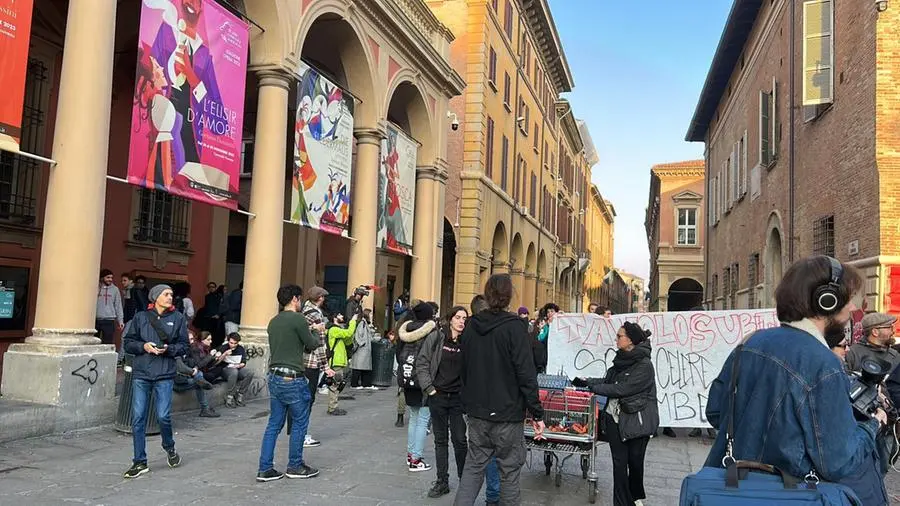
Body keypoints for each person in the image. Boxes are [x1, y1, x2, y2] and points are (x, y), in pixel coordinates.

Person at [704, 255, 888, 505]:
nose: (852, 310)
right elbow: (838, 462)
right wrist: (873, 425)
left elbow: (716, 412)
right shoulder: (825, 364)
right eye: (849, 300)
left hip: (730, 490)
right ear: (827, 301)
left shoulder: (750, 342)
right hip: (786, 494)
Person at [454, 274, 545, 506]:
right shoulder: (515, 327)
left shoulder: (472, 326)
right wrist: (537, 412)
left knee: (473, 469)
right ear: (508, 296)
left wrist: (467, 403)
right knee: (509, 472)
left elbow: (463, 368)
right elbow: (526, 374)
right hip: (507, 414)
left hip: (477, 413)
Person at [574, 322, 659, 506]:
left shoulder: (645, 366)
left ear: (631, 341)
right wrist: (587, 382)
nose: (616, 339)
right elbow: (608, 380)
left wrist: (596, 388)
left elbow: (623, 388)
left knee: (635, 465)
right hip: (615, 420)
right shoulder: (620, 359)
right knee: (619, 466)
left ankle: (634, 496)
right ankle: (621, 502)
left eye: (619, 336)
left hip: (637, 423)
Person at [122, 284, 188, 478]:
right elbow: (128, 343)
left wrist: (168, 349)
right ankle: (140, 461)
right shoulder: (141, 317)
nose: (170, 297)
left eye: (171, 294)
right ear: (155, 297)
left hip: (165, 374)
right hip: (142, 373)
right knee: (138, 418)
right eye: (166, 294)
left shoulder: (178, 318)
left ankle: (169, 447)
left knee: (163, 416)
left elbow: (184, 346)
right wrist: (144, 346)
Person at [256, 284, 321, 482]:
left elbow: (289, 337)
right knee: (300, 422)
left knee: (273, 424)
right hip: (293, 377)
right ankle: (295, 465)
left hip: (274, 376)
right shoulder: (298, 319)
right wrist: (317, 331)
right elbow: (311, 345)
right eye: (299, 299)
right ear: (294, 299)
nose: (300, 302)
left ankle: (265, 468)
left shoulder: (274, 321)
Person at [418, 306, 469, 498]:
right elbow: (422, 362)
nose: (461, 321)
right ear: (450, 319)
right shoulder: (437, 338)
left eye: (464, 318)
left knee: (460, 440)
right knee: (441, 441)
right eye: (458, 317)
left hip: (457, 398)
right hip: (437, 396)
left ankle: (466, 481)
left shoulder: (467, 342)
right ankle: (442, 481)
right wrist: (429, 388)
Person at [397, 302, 437, 472]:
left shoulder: (405, 330)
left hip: (407, 379)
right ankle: (416, 459)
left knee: (414, 418)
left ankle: (410, 454)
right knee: (423, 419)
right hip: (424, 380)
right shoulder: (432, 332)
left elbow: (398, 354)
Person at [469, 294, 501, 506]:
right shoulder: (503, 330)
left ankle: (479, 495)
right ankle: (493, 496)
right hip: (499, 402)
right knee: (498, 454)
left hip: (475, 403)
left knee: (479, 454)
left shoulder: (468, 334)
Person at [173, 330, 218, 418]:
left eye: (192, 339)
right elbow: (181, 367)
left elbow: (196, 364)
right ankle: (205, 409)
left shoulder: (189, 350)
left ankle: (206, 408)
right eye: (189, 339)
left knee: (200, 378)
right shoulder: (176, 350)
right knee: (200, 382)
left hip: (187, 378)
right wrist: (192, 371)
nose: (192, 341)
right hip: (177, 381)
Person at [325, 310, 359, 415]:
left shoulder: (337, 330)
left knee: (337, 384)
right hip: (335, 361)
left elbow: (348, 339)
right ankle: (333, 408)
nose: (342, 316)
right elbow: (348, 333)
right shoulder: (333, 329)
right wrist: (353, 321)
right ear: (335, 318)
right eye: (339, 315)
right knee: (335, 385)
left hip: (338, 361)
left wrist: (350, 331)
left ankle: (333, 406)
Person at [213, 333, 254, 409]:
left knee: (250, 373)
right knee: (234, 372)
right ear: (228, 341)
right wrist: (224, 354)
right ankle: (230, 396)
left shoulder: (240, 349)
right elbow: (216, 363)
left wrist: (238, 365)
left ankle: (240, 394)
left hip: (237, 368)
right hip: (225, 370)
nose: (233, 345)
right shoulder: (223, 347)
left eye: (235, 343)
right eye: (231, 343)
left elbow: (243, 362)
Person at [96, 268, 124, 346]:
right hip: (96, 320)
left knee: (107, 344)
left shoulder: (115, 289)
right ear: (102, 278)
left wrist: (120, 320)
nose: (110, 279)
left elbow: (118, 305)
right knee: (93, 344)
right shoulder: (95, 287)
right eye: (108, 277)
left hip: (109, 320)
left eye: (111, 277)